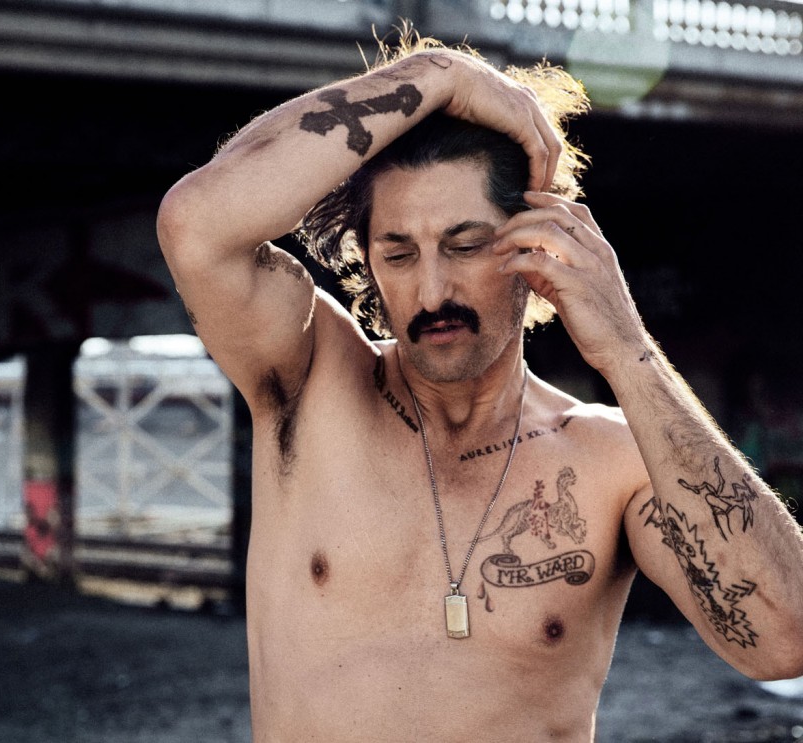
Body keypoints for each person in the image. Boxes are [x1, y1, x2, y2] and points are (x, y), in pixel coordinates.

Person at [155, 26, 803, 741]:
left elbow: (783, 638)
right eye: (399, 254)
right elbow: (195, 224)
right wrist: (440, 74)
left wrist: (629, 351)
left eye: (465, 246)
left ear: (537, 244)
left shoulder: (612, 462)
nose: (433, 292)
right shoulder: (309, 382)